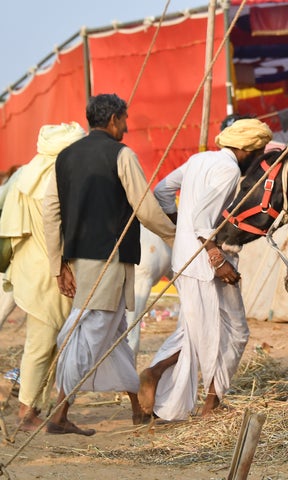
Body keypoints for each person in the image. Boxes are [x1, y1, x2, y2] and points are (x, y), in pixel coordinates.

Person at [43, 93, 176, 436]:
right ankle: (59, 414)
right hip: (110, 261)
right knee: (89, 333)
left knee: (114, 335)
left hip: (80, 260)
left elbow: (51, 214)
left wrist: (59, 265)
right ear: (114, 119)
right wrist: (176, 236)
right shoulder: (122, 154)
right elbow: (145, 208)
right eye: (125, 120)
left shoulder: (65, 157)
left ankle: (138, 409)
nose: (127, 127)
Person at [138, 118, 272, 420]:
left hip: (184, 257)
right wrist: (217, 258)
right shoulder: (229, 170)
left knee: (192, 329)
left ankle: (170, 392)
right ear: (246, 149)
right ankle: (198, 396)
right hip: (207, 262)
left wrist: (179, 226)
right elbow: (202, 219)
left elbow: (162, 191)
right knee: (233, 332)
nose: (260, 157)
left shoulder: (199, 159)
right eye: (259, 151)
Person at [0, 122, 85, 431]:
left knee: (49, 342)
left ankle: (33, 406)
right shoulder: (57, 177)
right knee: (42, 343)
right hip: (50, 271)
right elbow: (58, 230)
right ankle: (25, 412)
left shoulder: (25, 174)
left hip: (32, 267)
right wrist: (62, 267)